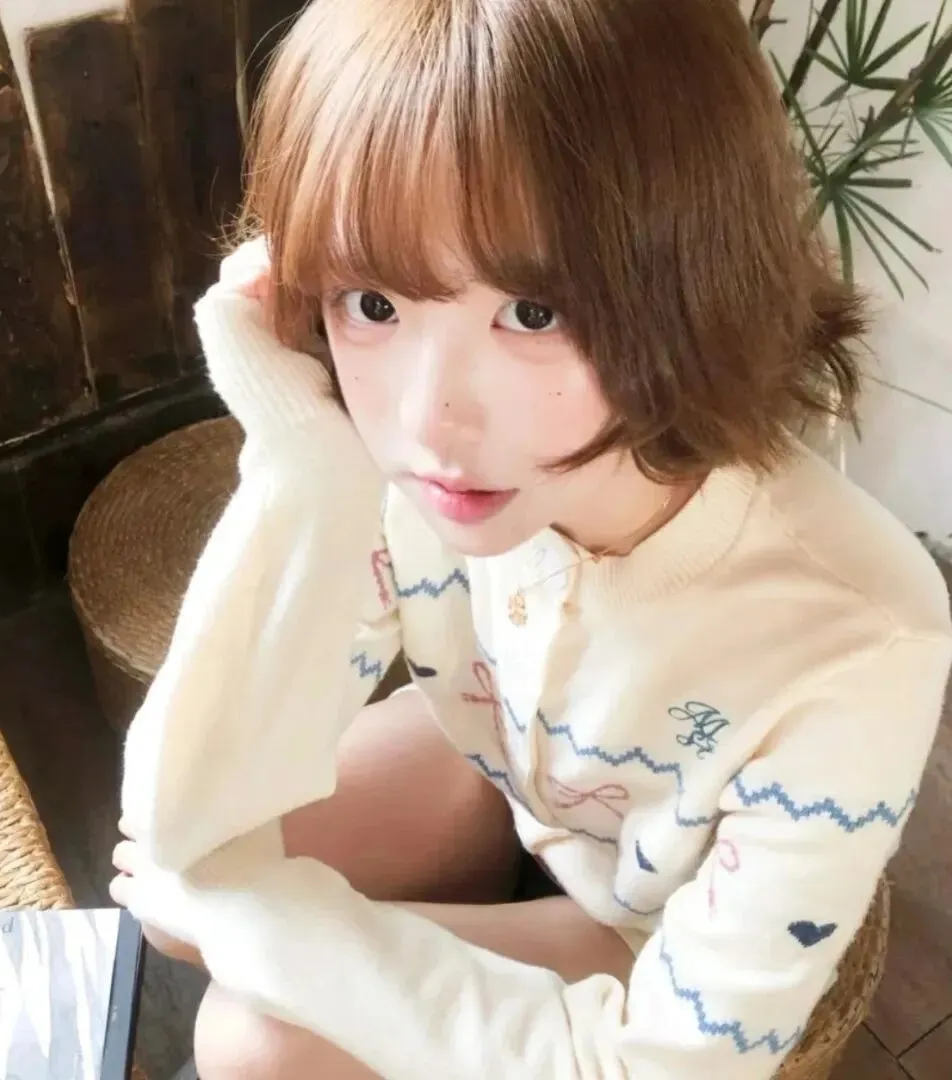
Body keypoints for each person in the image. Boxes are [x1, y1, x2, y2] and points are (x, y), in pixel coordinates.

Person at [109, 0, 952, 1077]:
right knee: (183, 889)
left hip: (652, 920)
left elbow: (663, 1068)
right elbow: (182, 822)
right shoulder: (422, 467)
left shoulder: (861, 635)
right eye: (374, 302)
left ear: (700, 277)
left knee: (249, 1035)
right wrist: (302, 470)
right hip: (505, 771)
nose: (428, 422)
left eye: (535, 313)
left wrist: (285, 940)